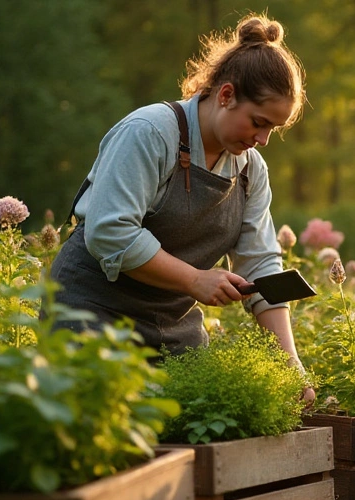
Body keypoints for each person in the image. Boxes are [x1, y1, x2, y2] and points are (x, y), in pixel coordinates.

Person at [49, 14, 314, 403]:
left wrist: (291, 368)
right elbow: (109, 232)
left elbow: (259, 265)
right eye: (258, 123)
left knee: (199, 428)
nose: (263, 139)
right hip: (92, 316)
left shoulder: (250, 170)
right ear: (226, 95)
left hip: (173, 327)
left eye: (273, 129)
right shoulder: (149, 133)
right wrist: (194, 279)